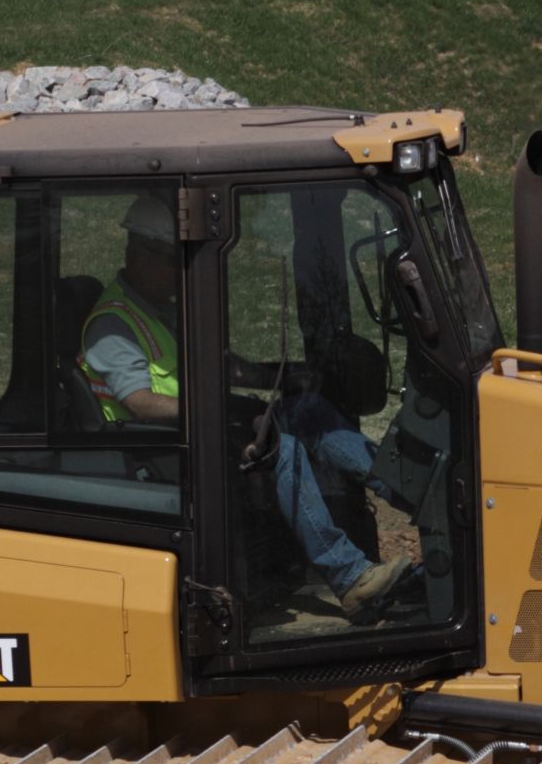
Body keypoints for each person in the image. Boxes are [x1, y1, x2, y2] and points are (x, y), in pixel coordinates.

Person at [79, 194, 410, 617]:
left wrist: (287, 376)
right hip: (163, 454)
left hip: (200, 427)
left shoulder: (163, 310)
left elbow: (229, 370)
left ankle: (409, 491)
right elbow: (141, 404)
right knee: (280, 448)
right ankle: (350, 577)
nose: (179, 270)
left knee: (307, 412)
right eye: (170, 258)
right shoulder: (115, 325)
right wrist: (221, 409)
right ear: (140, 253)